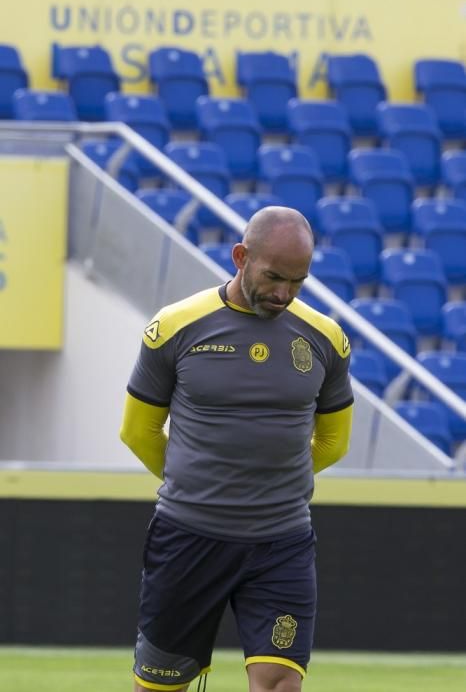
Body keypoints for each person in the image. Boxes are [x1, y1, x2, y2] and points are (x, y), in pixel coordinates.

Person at [120, 206, 354, 692]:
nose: (284, 294)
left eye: (298, 282)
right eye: (274, 277)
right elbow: (138, 431)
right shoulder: (175, 327)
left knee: (278, 684)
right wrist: (196, 482)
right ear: (240, 256)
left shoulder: (326, 339)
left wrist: (273, 485)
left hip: (281, 543)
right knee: (159, 688)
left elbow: (333, 441)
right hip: (187, 538)